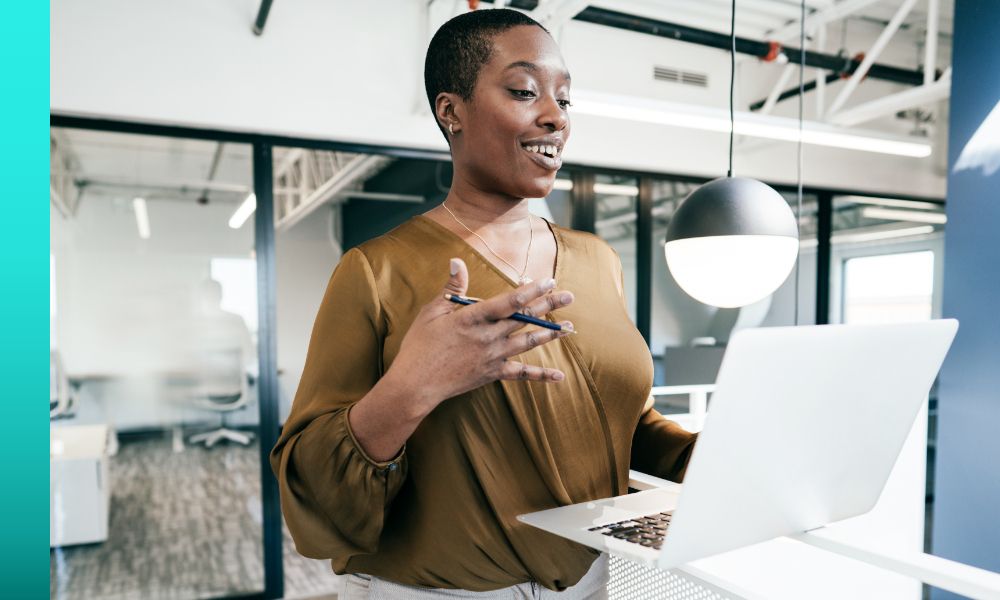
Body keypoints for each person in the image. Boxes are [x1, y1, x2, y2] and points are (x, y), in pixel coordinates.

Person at [270, 9, 697, 599]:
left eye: (565, 100)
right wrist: (413, 385)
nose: (555, 116)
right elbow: (311, 488)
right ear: (452, 112)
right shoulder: (375, 272)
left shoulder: (598, 260)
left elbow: (619, 427)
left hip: (598, 581)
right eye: (524, 91)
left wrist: (721, 459)